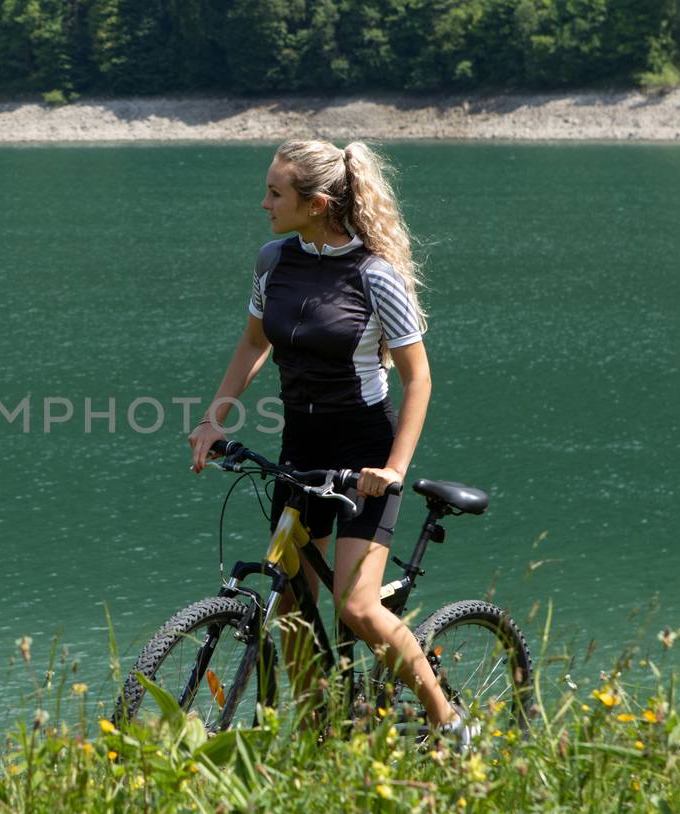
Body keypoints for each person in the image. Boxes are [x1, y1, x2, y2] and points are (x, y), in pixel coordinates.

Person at [186, 138, 470, 744]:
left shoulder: (375, 275)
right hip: (302, 447)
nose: (263, 203)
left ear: (315, 204)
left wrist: (393, 468)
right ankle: (324, 741)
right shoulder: (272, 261)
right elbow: (253, 344)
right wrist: (215, 419)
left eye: (275, 192)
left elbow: (418, 379)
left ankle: (448, 723)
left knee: (357, 607)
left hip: (365, 451)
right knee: (289, 607)